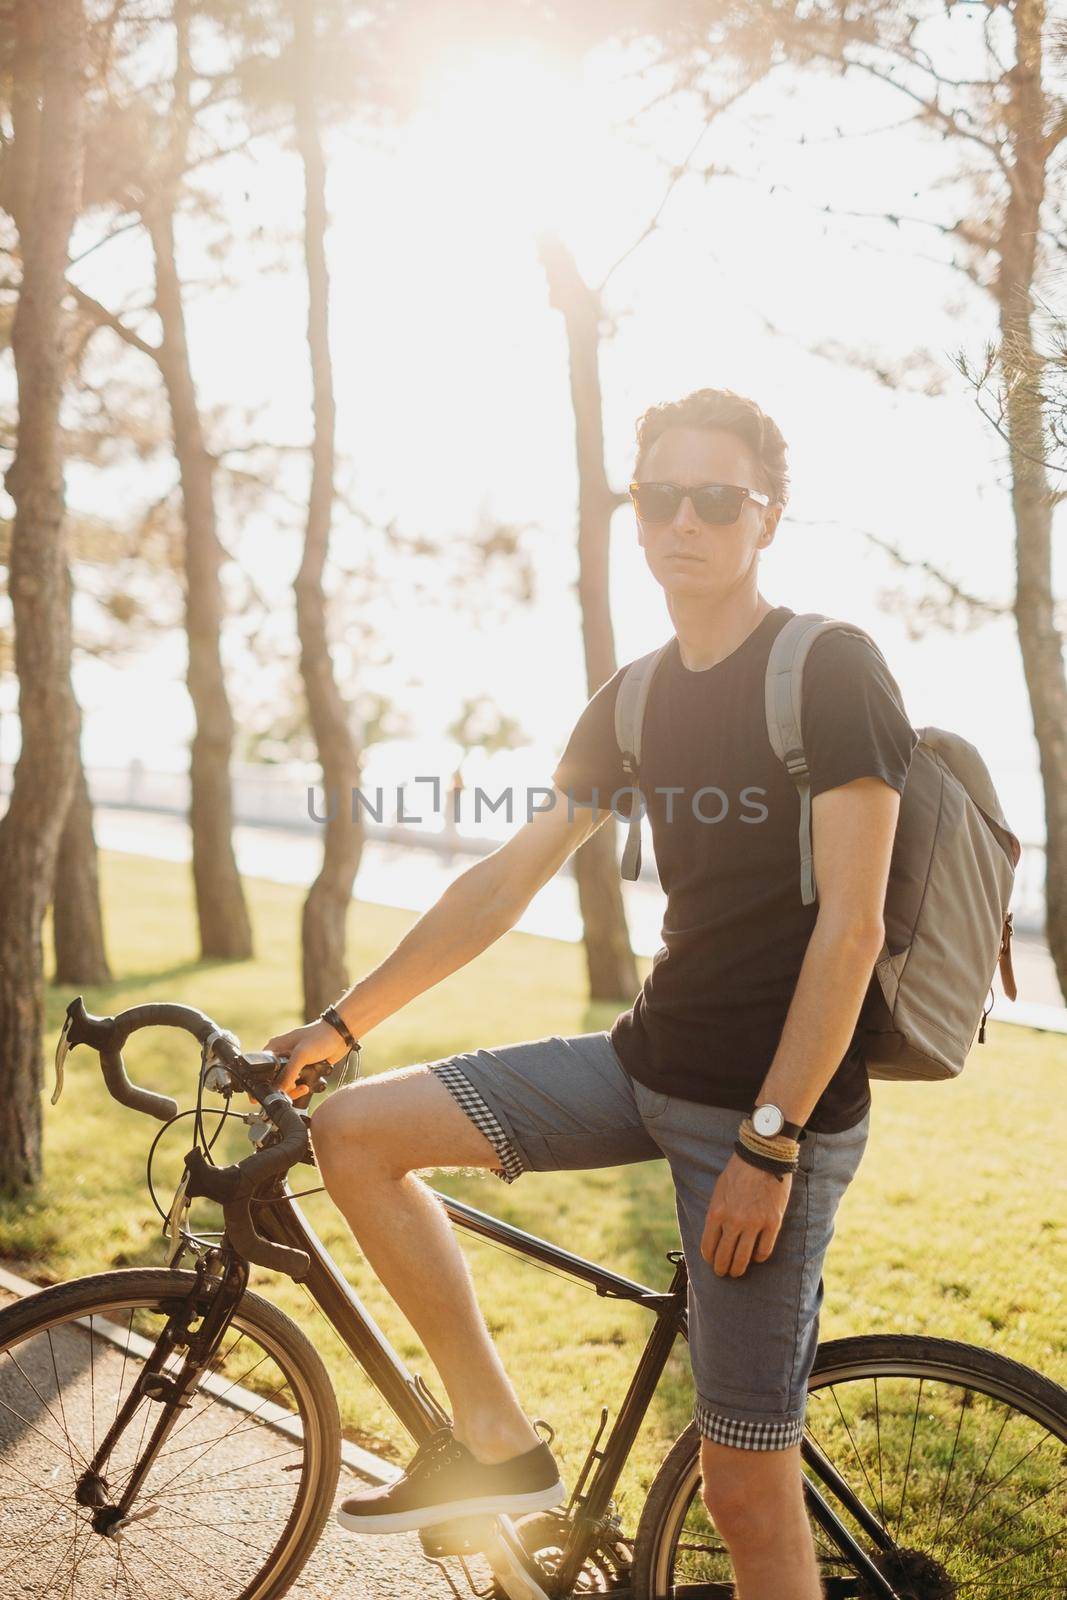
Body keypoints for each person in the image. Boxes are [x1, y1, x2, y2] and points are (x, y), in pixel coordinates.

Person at [264, 387, 916, 1600]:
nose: (684, 520)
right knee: (351, 1130)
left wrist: (768, 1144)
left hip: (769, 1117)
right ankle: (499, 1447)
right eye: (659, 495)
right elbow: (502, 883)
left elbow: (855, 922)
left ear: (765, 518)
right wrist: (344, 1023)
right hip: (640, 1066)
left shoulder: (828, 669)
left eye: (715, 499)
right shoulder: (633, 698)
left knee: (743, 1496)